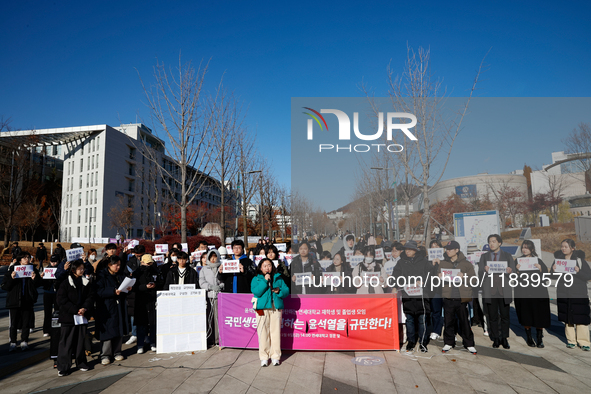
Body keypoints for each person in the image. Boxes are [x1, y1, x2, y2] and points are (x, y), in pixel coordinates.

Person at [392, 240, 435, 352]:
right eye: (406, 249)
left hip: (421, 295)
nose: (408, 251)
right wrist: (395, 286)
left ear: (415, 250)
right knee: (410, 319)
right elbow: (395, 275)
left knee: (422, 319)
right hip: (408, 295)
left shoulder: (424, 261)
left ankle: (423, 342)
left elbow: (431, 274)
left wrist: (423, 281)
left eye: (410, 249)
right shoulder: (401, 262)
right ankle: (411, 342)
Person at [436, 241, 477, 354]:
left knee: (464, 321)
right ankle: (448, 342)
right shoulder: (443, 263)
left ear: (457, 250)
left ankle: (469, 343)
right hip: (448, 296)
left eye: (450, 249)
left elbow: (474, 280)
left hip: (461, 297)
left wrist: (464, 276)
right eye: (447, 249)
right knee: (448, 321)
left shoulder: (466, 264)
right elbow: (437, 279)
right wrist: (438, 276)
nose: (448, 251)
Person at [552, 238, 591, 351]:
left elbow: (588, 275)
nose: (563, 249)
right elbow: (552, 276)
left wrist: (578, 271)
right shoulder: (558, 260)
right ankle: (571, 341)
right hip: (564, 292)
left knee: (581, 317)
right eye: (562, 246)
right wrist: (553, 271)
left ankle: (584, 342)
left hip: (578, 292)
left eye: (566, 246)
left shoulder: (579, 260)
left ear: (572, 248)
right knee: (568, 318)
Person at [478, 234, 515, 349]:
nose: (491, 244)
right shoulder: (484, 257)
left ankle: (504, 338)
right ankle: (496, 338)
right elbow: (480, 274)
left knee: (505, 316)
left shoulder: (507, 256)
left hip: (504, 290)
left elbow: (513, 274)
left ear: (499, 243)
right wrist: (484, 271)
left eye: (494, 241)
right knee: (492, 316)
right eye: (490, 242)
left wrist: (510, 272)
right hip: (490, 290)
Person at [56, 260, 93, 376]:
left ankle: (81, 362)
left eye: (83, 268)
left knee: (80, 341)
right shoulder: (65, 283)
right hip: (68, 317)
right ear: (73, 270)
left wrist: (84, 308)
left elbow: (90, 297)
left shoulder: (86, 282)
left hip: (82, 316)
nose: (82, 270)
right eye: (79, 268)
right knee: (66, 342)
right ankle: (63, 367)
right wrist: (74, 309)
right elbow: (61, 300)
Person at [251, 258, 290, 367]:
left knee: (275, 332)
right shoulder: (257, 279)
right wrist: (265, 280)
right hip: (262, 309)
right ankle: (264, 357)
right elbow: (256, 292)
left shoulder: (278, 278)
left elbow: (286, 291)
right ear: (260, 267)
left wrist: (279, 291)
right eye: (265, 265)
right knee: (263, 333)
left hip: (275, 308)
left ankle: (275, 356)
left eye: (269, 265)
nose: (267, 267)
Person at [95, 256, 132, 365]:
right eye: (116, 265)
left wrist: (128, 289)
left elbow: (124, 287)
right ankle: (105, 354)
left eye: (119, 265)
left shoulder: (121, 275)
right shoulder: (102, 275)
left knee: (118, 328)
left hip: (119, 305)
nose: (118, 267)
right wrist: (112, 291)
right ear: (109, 265)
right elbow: (99, 291)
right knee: (108, 330)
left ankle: (117, 351)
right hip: (106, 306)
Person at [2, 252, 42, 351]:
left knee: (26, 323)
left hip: (27, 300)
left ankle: (24, 341)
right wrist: (12, 278)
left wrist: (34, 279)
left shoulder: (32, 269)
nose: (27, 259)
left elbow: (39, 283)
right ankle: (13, 342)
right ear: (20, 260)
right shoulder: (12, 270)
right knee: (13, 323)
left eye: (28, 257)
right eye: (24, 258)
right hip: (14, 300)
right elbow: (5, 286)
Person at [514, 240, 551, 348]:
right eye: (523, 247)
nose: (524, 249)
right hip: (523, 292)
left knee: (540, 314)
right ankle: (529, 338)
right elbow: (513, 277)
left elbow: (545, 276)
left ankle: (539, 338)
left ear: (532, 249)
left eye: (527, 247)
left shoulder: (538, 260)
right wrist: (516, 271)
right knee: (526, 314)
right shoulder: (518, 261)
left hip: (537, 292)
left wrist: (540, 269)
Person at [132, 254, 158, 353]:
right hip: (141, 301)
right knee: (141, 324)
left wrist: (155, 285)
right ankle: (140, 345)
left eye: (150, 263)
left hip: (152, 300)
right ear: (142, 262)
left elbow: (161, 282)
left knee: (152, 323)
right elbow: (134, 287)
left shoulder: (155, 271)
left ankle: (153, 343)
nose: (149, 265)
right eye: (147, 263)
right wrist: (145, 287)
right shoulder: (137, 273)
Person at [199, 249, 223, 347]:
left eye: (215, 257)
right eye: (211, 257)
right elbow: (201, 282)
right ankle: (210, 339)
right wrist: (210, 287)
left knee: (218, 318)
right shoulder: (204, 269)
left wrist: (220, 286)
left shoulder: (221, 267)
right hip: (209, 296)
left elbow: (224, 280)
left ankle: (218, 339)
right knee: (210, 318)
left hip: (219, 296)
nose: (213, 259)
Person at [41, 254, 61, 337]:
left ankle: (56, 328)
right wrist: (41, 277)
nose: (53, 263)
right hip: (48, 292)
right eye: (52, 261)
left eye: (55, 261)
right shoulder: (47, 269)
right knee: (47, 312)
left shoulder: (61, 269)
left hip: (57, 293)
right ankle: (46, 329)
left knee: (57, 311)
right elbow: (42, 283)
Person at [428, 240, 444, 341]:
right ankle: (433, 330)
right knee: (433, 310)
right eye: (432, 246)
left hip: (444, 288)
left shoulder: (445, 259)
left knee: (443, 311)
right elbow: (425, 274)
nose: (435, 248)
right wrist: (432, 265)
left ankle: (440, 331)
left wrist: (441, 264)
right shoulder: (427, 260)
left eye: (436, 246)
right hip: (432, 289)